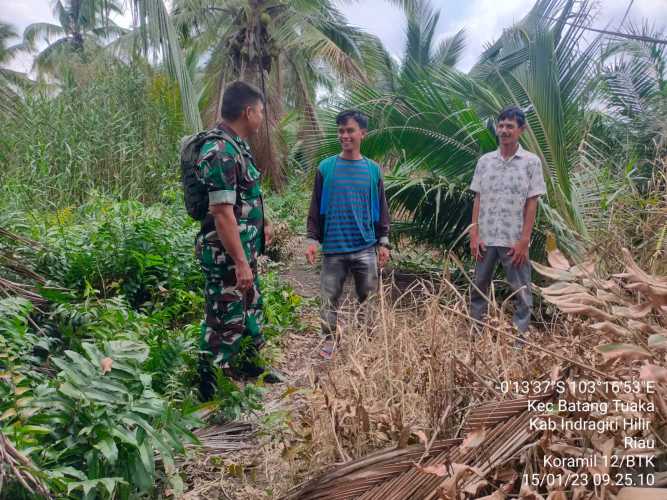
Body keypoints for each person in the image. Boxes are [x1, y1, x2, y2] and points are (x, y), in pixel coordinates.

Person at [196, 81, 281, 401]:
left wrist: (264, 223)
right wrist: (240, 262)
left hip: (243, 249)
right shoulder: (219, 151)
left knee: (250, 309)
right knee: (223, 318)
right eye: (260, 111)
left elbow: (247, 195)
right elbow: (221, 212)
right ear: (248, 112)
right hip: (226, 255)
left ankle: (248, 364)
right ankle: (210, 384)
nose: (261, 117)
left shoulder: (237, 147)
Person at [305, 109, 391, 359]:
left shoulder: (373, 170)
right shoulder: (326, 168)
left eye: (350, 130)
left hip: (365, 247)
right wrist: (312, 239)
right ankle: (329, 341)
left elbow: (381, 208)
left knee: (367, 299)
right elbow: (315, 205)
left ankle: (365, 344)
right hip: (333, 248)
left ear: (363, 133)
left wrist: (383, 241)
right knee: (329, 299)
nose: (345, 135)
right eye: (341, 131)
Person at [469, 105, 547, 336]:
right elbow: (478, 198)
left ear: (521, 130)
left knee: (521, 292)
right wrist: (474, 233)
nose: (504, 130)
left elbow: (532, 203)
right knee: (479, 288)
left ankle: (519, 342)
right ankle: (476, 334)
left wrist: (524, 240)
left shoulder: (531, 162)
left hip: (514, 240)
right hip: (486, 238)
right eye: (500, 125)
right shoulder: (485, 161)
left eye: (509, 126)